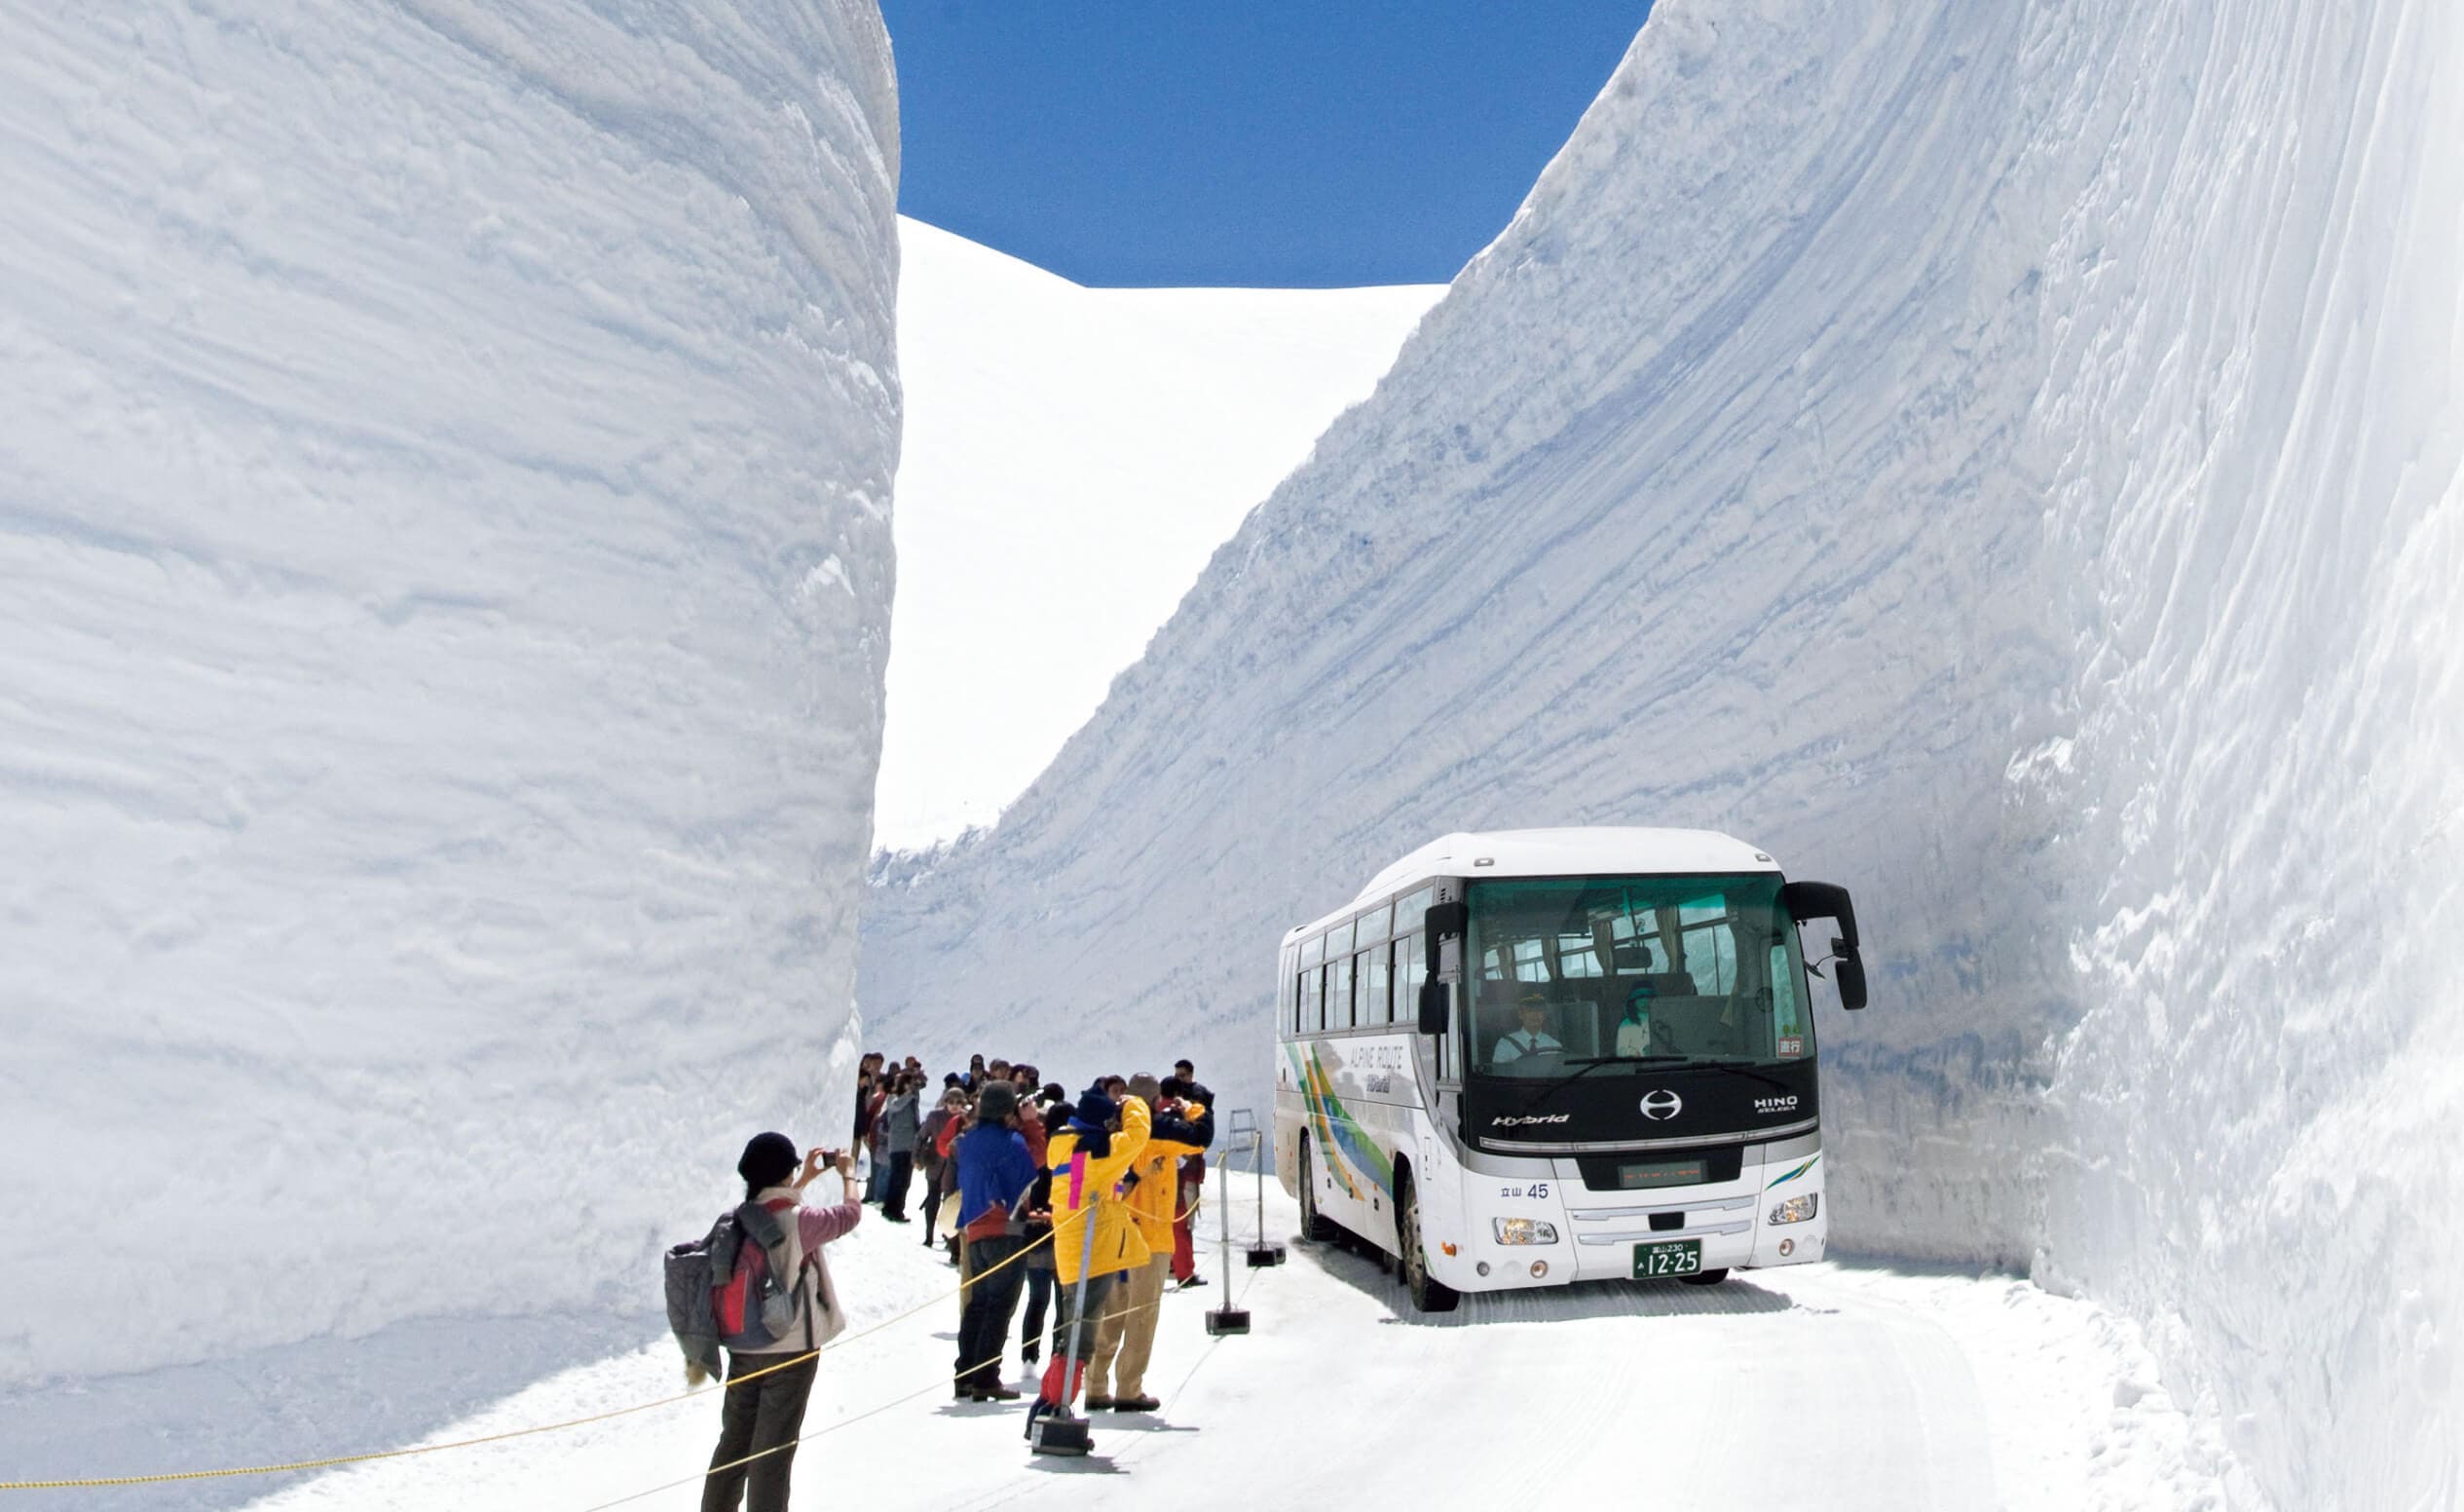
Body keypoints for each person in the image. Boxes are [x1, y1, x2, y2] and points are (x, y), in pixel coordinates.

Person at [703, 1133, 860, 1512]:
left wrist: (801, 1179)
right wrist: (848, 1174)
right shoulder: (801, 1221)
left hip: (744, 1346)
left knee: (734, 1446)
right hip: (790, 1351)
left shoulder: (737, 1219)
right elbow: (850, 1215)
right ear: (785, 1173)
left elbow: (774, 1207)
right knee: (772, 1455)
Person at [1024, 1086, 1150, 1440]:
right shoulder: (1098, 1151)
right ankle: (1055, 1409)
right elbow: (1138, 1136)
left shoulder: (1065, 1145)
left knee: (1070, 1335)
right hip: (1092, 1254)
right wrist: (1134, 1103)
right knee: (1080, 1340)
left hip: (1074, 1250)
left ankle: (1047, 1408)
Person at [1086, 1075, 1210, 1413]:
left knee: (1109, 1312)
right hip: (1150, 1240)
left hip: (1113, 1237)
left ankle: (1095, 1385)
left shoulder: (1111, 1135)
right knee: (1141, 1315)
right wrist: (1193, 1107)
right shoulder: (1159, 1137)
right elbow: (1201, 1140)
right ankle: (1129, 1387)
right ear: (1156, 1101)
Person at [952, 1081, 1039, 1399]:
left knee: (978, 1304)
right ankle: (986, 1377)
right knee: (1000, 1304)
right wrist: (1030, 1124)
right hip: (1007, 1228)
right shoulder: (1012, 1141)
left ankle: (965, 1374)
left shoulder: (969, 1140)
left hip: (974, 1228)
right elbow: (1037, 1161)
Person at [1160, 1075, 1208, 1287]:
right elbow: (1200, 1137)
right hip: (1175, 1182)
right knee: (1181, 1230)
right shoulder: (1178, 1114)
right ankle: (1184, 1271)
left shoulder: (1152, 1112)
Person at [918, 1086, 966, 1248]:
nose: (954, 1106)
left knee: (950, 1202)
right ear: (945, 1102)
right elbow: (921, 1137)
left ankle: (950, 1238)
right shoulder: (934, 1116)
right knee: (932, 1199)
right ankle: (929, 1234)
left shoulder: (966, 1120)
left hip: (955, 1169)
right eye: (951, 1102)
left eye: (959, 1102)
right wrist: (917, 1158)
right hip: (935, 1163)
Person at [877, 1073, 920, 1221]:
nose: (910, 1087)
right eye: (907, 1083)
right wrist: (908, 1095)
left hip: (910, 1144)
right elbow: (894, 1108)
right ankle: (890, 1208)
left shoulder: (913, 1099)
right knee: (897, 1178)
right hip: (897, 1144)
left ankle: (899, 1209)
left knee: (905, 1180)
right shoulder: (893, 1098)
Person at [1490, 995, 1564, 1074]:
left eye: (1539, 1011)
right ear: (1520, 1015)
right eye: (1530, 1011)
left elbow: (1558, 1074)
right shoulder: (1505, 1044)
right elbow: (1500, 1074)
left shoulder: (1554, 1046)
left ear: (1544, 1016)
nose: (1535, 1015)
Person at [1613, 982, 1657, 1057]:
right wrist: (1638, 1053)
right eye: (1640, 997)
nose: (1645, 1001)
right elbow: (1620, 1051)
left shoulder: (1662, 1022)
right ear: (1633, 1001)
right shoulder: (1626, 1024)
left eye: (1648, 997)